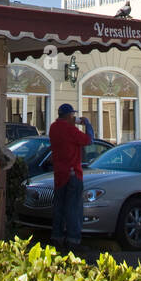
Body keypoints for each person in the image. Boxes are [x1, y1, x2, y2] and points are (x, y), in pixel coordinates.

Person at [48, 103, 95, 252]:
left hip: (59, 174)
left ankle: (57, 237)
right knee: (73, 208)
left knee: (59, 207)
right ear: (69, 116)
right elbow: (89, 140)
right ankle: (73, 241)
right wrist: (87, 124)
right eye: (72, 115)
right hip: (73, 173)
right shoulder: (70, 130)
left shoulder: (53, 128)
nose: (74, 118)